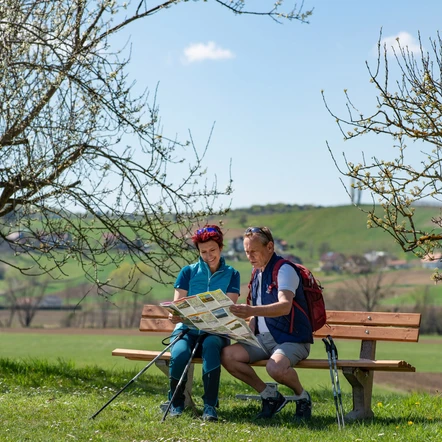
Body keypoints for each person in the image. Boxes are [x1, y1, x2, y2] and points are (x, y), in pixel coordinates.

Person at [221, 226, 313, 421]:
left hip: (292, 339)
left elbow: (284, 306)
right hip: (264, 339)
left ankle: (302, 397)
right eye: (247, 252)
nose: (250, 256)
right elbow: (257, 312)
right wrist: (246, 330)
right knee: (228, 355)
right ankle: (270, 396)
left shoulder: (285, 270)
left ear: (270, 247)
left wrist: (251, 311)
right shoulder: (257, 273)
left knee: (275, 368)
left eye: (254, 251)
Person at [167, 224, 240, 421]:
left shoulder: (232, 274)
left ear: (221, 248)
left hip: (215, 331)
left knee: (211, 346)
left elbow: (230, 306)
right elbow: (177, 304)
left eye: (212, 250)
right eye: (203, 252)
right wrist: (175, 315)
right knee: (180, 354)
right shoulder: (187, 272)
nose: (208, 256)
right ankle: (175, 403)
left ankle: (210, 406)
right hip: (186, 330)